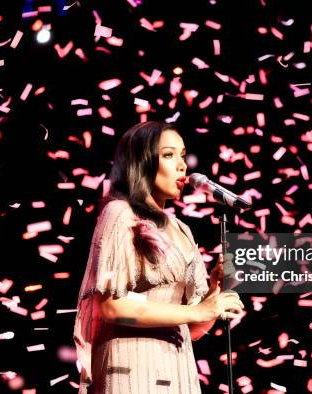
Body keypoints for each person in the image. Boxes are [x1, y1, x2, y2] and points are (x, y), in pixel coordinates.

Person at [73, 121, 245, 393]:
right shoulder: (119, 213)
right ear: (141, 162)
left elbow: (193, 328)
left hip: (178, 368)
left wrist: (214, 294)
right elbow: (111, 307)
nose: (182, 165)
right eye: (168, 155)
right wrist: (197, 310)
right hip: (130, 367)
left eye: (182, 155)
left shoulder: (183, 230)